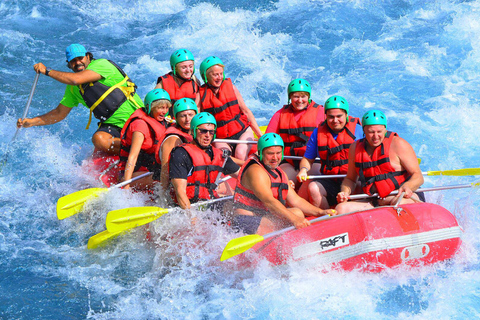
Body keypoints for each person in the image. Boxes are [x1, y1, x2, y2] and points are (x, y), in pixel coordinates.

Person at [17, 44, 143, 154]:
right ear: (69, 64)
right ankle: (132, 148)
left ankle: (142, 148)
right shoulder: (73, 89)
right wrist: (31, 122)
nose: (77, 63)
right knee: (99, 140)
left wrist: (47, 71)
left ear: (88, 57)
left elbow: (75, 79)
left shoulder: (101, 64)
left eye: (80, 58)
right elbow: (59, 113)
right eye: (73, 61)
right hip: (113, 126)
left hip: (135, 117)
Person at [232, 133, 336, 236]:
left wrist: (321, 212)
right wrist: (294, 219)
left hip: (262, 216)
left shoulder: (278, 171)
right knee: (295, 215)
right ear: (260, 153)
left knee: (297, 212)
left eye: (278, 153)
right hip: (244, 222)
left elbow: (296, 200)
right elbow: (269, 202)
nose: (275, 158)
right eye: (270, 153)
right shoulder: (255, 171)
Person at [335, 110, 424, 214]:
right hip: (374, 201)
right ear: (364, 130)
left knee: (397, 206)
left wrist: (408, 186)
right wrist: (345, 192)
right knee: (341, 209)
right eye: (371, 132)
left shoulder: (399, 144)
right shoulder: (355, 148)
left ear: (385, 130)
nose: (376, 136)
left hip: (399, 198)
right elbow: (350, 179)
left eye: (379, 132)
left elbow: (418, 176)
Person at [296, 96, 362, 209]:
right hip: (331, 179)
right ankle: (326, 216)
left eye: (339, 116)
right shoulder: (318, 133)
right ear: (326, 116)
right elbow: (307, 159)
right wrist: (303, 170)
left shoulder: (359, 131)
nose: (335, 121)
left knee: (362, 184)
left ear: (346, 115)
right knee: (313, 187)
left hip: (354, 180)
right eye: (331, 117)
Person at [169, 112, 240, 209]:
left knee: (236, 207)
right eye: (203, 131)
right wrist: (192, 219)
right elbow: (180, 192)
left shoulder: (219, 155)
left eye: (211, 132)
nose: (207, 135)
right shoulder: (180, 154)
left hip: (210, 203)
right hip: (188, 206)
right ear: (193, 131)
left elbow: (243, 176)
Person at [199, 56, 263, 161]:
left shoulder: (231, 87)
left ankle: (247, 173)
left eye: (221, 74)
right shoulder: (201, 95)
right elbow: (197, 118)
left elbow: (246, 111)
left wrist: (260, 135)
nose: (219, 77)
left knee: (240, 154)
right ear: (205, 76)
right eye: (215, 75)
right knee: (225, 158)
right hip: (220, 137)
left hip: (242, 131)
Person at [266, 78, 326, 183]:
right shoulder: (280, 114)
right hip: (290, 162)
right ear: (290, 97)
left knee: (310, 183)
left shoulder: (321, 112)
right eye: (296, 96)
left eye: (303, 96)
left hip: (313, 161)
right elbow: (268, 138)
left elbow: (340, 123)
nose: (300, 100)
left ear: (308, 97)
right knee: (280, 182)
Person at [119, 89, 172, 190]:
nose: (164, 111)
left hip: (150, 168)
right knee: (165, 179)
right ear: (150, 108)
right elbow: (132, 157)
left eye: (166, 108)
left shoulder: (162, 120)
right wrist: (125, 186)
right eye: (160, 108)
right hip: (135, 172)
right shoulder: (140, 126)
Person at [158, 98, 197, 191]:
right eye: (183, 116)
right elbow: (165, 171)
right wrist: (163, 197)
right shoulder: (173, 139)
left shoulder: (195, 133)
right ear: (176, 118)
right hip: (172, 183)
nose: (188, 119)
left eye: (191, 115)